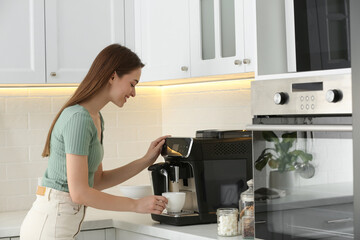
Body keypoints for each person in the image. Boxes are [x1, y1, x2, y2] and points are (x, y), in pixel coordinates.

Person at [20, 44, 169, 240]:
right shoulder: (79, 119)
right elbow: (80, 193)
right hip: (49, 227)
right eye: (132, 84)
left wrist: (145, 161)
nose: (133, 93)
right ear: (112, 76)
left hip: (60, 224)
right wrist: (136, 205)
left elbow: (96, 181)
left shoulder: (95, 118)